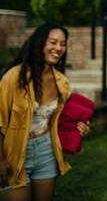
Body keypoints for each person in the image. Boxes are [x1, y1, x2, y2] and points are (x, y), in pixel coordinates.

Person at [0, 22, 90, 201]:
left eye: (63, 44)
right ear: (40, 43)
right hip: (14, 154)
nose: (59, 48)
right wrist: (1, 160)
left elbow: (60, 121)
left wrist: (80, 128)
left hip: (46, 153)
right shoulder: (12, 78)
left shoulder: (61, 82)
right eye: (53, 42)